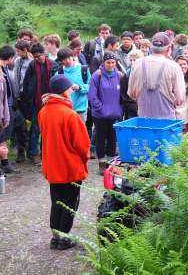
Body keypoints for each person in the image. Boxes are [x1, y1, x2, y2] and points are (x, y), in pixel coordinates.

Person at [38, 74, 90, 250]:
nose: (71, 90)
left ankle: (55, 237)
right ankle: (64, 239)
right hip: (70, 166)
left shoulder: (43, 111)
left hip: (52, 165)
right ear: (64, 90)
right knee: (69, 203)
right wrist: (84, 160)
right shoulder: (70, 115)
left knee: (56, 201)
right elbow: (83, 145)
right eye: (69, 88)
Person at [128, 32, 185, 119]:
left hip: (143, 120)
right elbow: (180, 99)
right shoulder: (174, 66)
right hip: (166, 123)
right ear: (169, 48)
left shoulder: (137, 64)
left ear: (151, 46)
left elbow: (131, 94)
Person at [20, 43, 59, 164]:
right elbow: (26, 84)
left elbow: (57, 82)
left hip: (50, 101)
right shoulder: (32, 65)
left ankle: (46, 152)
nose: (38, 58)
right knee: (36, 129)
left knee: (49, 129)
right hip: (35, 102)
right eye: (35, 56)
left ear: (44, 53)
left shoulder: (53, 65)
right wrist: (27, 101)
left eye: (39, 55)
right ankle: (33, 153)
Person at [88, 52, 122, 173]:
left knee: (113, 138)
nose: (111, 65)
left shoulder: (119, 75)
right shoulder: (97, 76)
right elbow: (92, 95)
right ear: (103, 62)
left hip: (114, 113)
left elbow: (122, 94)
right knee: (101, 138)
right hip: (100, 114)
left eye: (113, 62)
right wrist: (100, 108)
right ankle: (102, 163)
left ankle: (111, 162)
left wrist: (120, 109)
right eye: (108, 62)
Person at [57, 48, 91, 122]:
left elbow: (91, 86)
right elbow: (56, 91)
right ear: (61, 61)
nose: (68, 61)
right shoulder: (59, 72)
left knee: (79, 132)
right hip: (65, 109)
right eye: (64, 60)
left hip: (81, 109)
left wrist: (80, 87)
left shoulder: (83, 69)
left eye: (69, 58)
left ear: (72, 56)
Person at [12, 40, 32, 162]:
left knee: (29, 125)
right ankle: (20, 150)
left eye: (19, 51)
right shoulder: (17, 61)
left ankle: (30, 148)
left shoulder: (31, 62)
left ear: (25, 50)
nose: (17, 53)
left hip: (27, 98)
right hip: (18, 97)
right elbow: (15, 79)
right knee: (20, 125)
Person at [120, 50, 144, 120]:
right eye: (131, 60)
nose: (133, 62)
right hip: (132, 109)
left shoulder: (147, 73)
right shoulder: (127, 74)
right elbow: (124, 94)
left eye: (135, 60)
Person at [175, 56, 188, 131]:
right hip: (175, 112)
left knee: (186, 136)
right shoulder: (172, 79)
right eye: (180, 64)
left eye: (184, 64)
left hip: (187, 112)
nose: (182, 66)